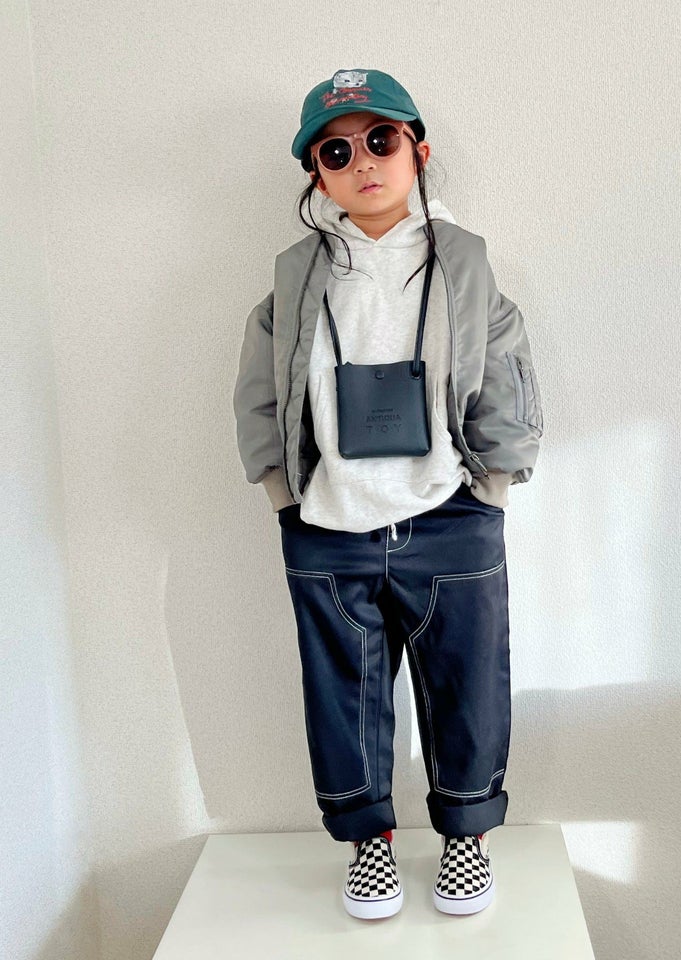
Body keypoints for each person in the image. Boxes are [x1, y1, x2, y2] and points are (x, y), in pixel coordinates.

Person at [233, 68, 543, 920]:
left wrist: (494, 488)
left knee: (468, 687)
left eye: (381, 140)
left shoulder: (465, 260)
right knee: (344, 695)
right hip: (327, 522)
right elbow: (259, 390)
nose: (362, 161)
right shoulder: (296, 276)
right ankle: (368, 843)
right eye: (336, 152)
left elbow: (506, 365)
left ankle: (466, 838)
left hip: (451, 515)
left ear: (418, 151)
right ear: (316, 174)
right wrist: (282, 497)